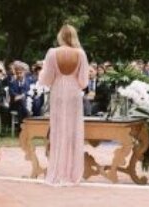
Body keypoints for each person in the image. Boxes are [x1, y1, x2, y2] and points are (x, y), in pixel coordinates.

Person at [39, 24, 89, 185]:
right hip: (74, 92)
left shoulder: (52, 53)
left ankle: (57, 170)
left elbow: (46, 79)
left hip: (58, 92)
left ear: (60, 36)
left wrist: (42, 73)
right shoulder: (80, 54)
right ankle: (72, 173)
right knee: (73, 131)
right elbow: (83, 82)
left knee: (58, 130)